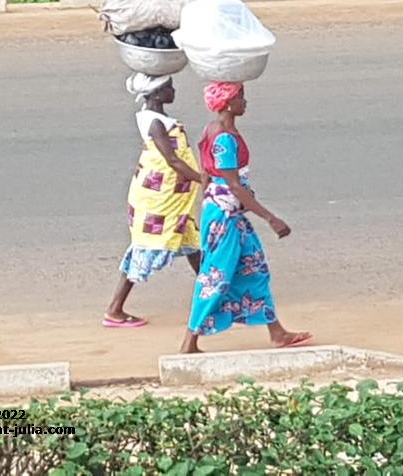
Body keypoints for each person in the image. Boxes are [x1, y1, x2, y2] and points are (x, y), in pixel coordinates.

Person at [179, 81, 311, 353]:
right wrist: (271, 218)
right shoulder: (225, 139)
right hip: (226, 216)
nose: (245, 102)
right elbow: (234, 186)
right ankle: (189, 341)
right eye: (241, 98)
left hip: (228, 213)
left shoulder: (212, 129)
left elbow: (207, 172)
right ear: (228, 104)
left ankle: (277, 332)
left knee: (254, 268)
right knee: (215, 276)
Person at [104, 73, 203, 328]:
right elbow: (173, 161)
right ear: (157, 94)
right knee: (146, 247)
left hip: (171, 196)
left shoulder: (154, 118)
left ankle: (214, 292)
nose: (174, 91)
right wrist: (204, 179)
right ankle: (115, 309)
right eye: (169, 88)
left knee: (190, 241)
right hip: (160, 199)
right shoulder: (155, 123)